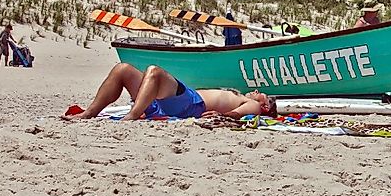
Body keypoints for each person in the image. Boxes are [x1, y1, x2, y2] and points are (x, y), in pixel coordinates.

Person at [65, 63, 275, 120]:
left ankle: (133, 114)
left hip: (190, 105)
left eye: (262, 93)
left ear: (265, 105)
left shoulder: (255, 105)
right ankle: (90, 112)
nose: (256, 91)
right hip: (173, 101)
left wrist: (222, 115)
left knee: (154, 72)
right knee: (123, 69)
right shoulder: (241, 96)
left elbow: (239, 114)